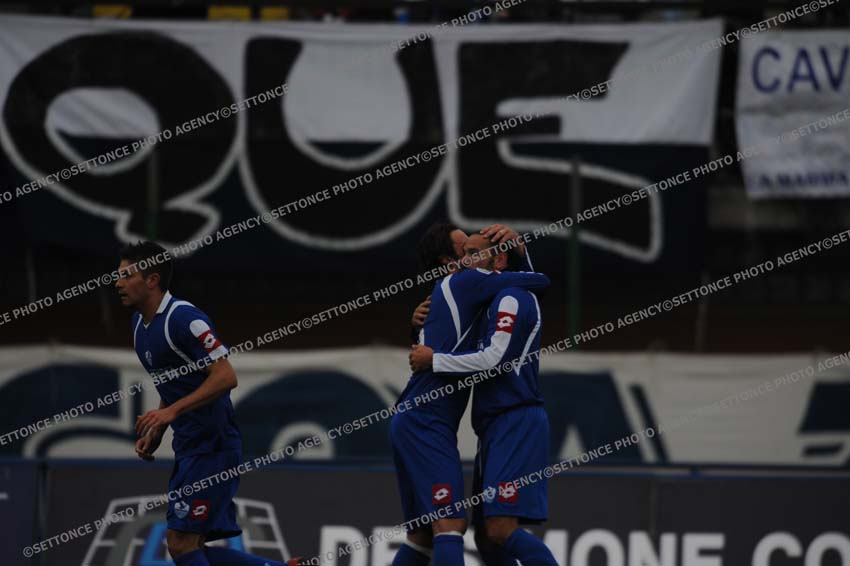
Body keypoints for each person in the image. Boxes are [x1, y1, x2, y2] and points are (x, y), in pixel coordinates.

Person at [116, 240, 298, 566]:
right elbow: (175, 382)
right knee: (188, 545)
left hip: (213, 446)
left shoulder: (184, 318)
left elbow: (226, 376)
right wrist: (160, 427)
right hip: (189, 447)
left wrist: (170, 412)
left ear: (152, 279)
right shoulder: (138, 326)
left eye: (126, 275)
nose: (118, 283)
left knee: (181, 544)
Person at [391, 223, 548, 566]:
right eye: (464, 251)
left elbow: (437, 338)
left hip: (422, 419)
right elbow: (539, 281)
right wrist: (520, 254)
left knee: (425, 536)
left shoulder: (474, 298)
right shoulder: (467, 282)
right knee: (451, 525)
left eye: (473, 252)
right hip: (426, 421)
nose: (467, 257)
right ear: (450, 262)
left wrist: (419, 334)